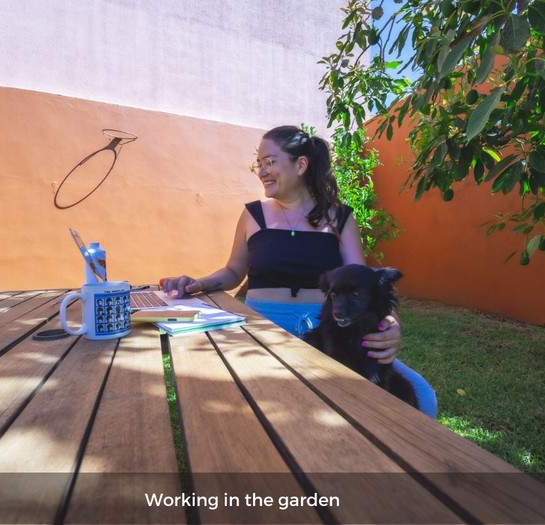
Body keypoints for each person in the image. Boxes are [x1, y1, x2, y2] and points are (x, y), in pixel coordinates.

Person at [162, 125, 437, 417]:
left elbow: (366, 283)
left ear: (301, 164)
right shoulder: (252, 215)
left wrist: (391, 322)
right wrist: (198, 283)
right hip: (262, 328)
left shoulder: (340, 217)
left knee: (422, 398)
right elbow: (233, 271)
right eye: (259, 164)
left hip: (330, 332)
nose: (261, 171)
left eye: (269, 161)